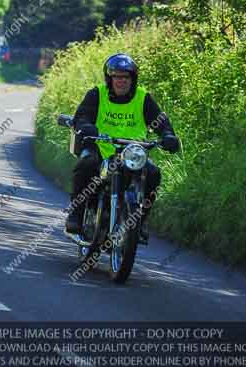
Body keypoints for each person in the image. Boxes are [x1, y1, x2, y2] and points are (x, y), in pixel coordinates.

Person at [65, 52, 180, 242]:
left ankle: (139, 222)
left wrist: (167, 135)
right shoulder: (97, 94)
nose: (121, 81)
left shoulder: (143, 98)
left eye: (125, 77)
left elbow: (160, 121)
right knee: (86, 163)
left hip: (132, 152)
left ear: (132, 79)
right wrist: (86, 126)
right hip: (100, 147)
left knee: (153, 173)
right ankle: (76, 215)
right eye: (116, 76)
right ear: (109, 78)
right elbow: (82, 116)